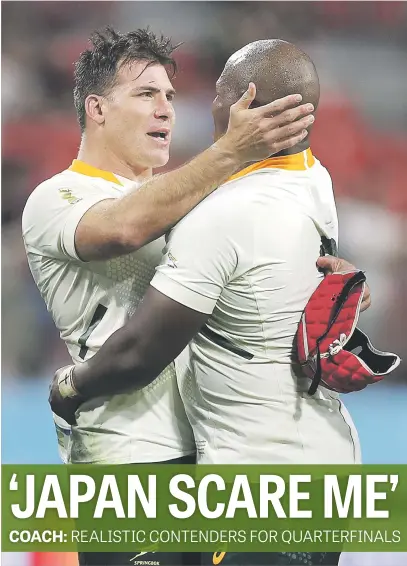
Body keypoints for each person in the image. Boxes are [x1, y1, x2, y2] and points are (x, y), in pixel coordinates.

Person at [49, 39, 372, 566]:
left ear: (242, 103)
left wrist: (70, 387)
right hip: (326, 464)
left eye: (217, 90)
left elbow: (141, 351)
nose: (200, 104)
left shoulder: (225, 216)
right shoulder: (314, 178)